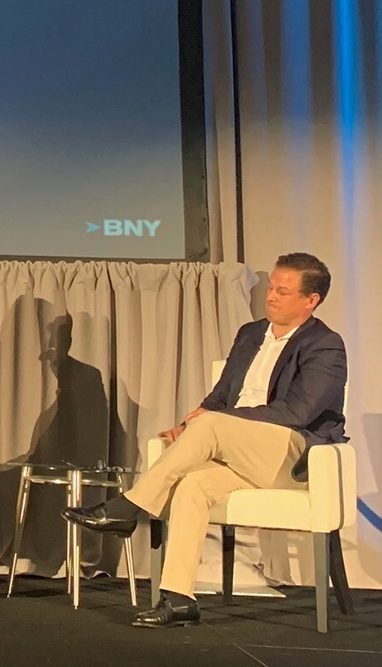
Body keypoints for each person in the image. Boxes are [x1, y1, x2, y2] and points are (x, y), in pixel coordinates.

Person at [65, 253, 346, 627]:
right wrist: (189, 426)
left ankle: (128, 507)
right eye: (271, 287)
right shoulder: (250, 334)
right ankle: (179, 598)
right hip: (239, 452)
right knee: (193, 486)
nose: (271, 296)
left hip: (289, 456)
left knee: (212, 425)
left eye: (283, 291)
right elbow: (219, 398)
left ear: (311, 300)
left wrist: (214, 423)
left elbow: (297, 412)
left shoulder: (326, 345)